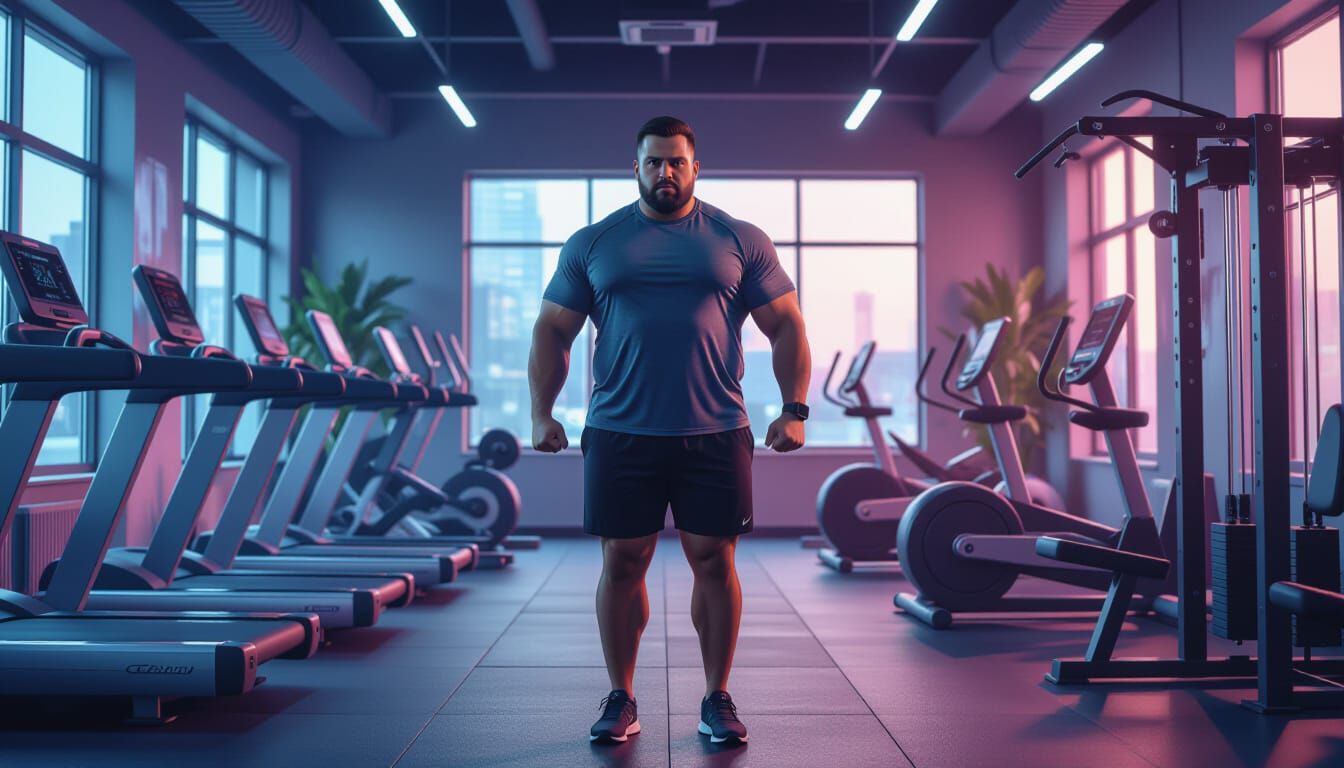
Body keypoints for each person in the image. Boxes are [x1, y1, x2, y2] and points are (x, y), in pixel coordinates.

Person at [528, 115, 811, 746]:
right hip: (619, 430)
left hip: (715, 430)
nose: (665, 173)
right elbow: (552, 328)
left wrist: (795, 409)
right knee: (622, 560)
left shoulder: (738, 238)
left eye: (676, 162)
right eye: (653, 162)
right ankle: (622, 697)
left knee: (714, 559)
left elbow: (786, 324)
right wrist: (541, 412)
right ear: (636, 168)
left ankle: (716, 697)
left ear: (695, 167)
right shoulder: (594, 242)